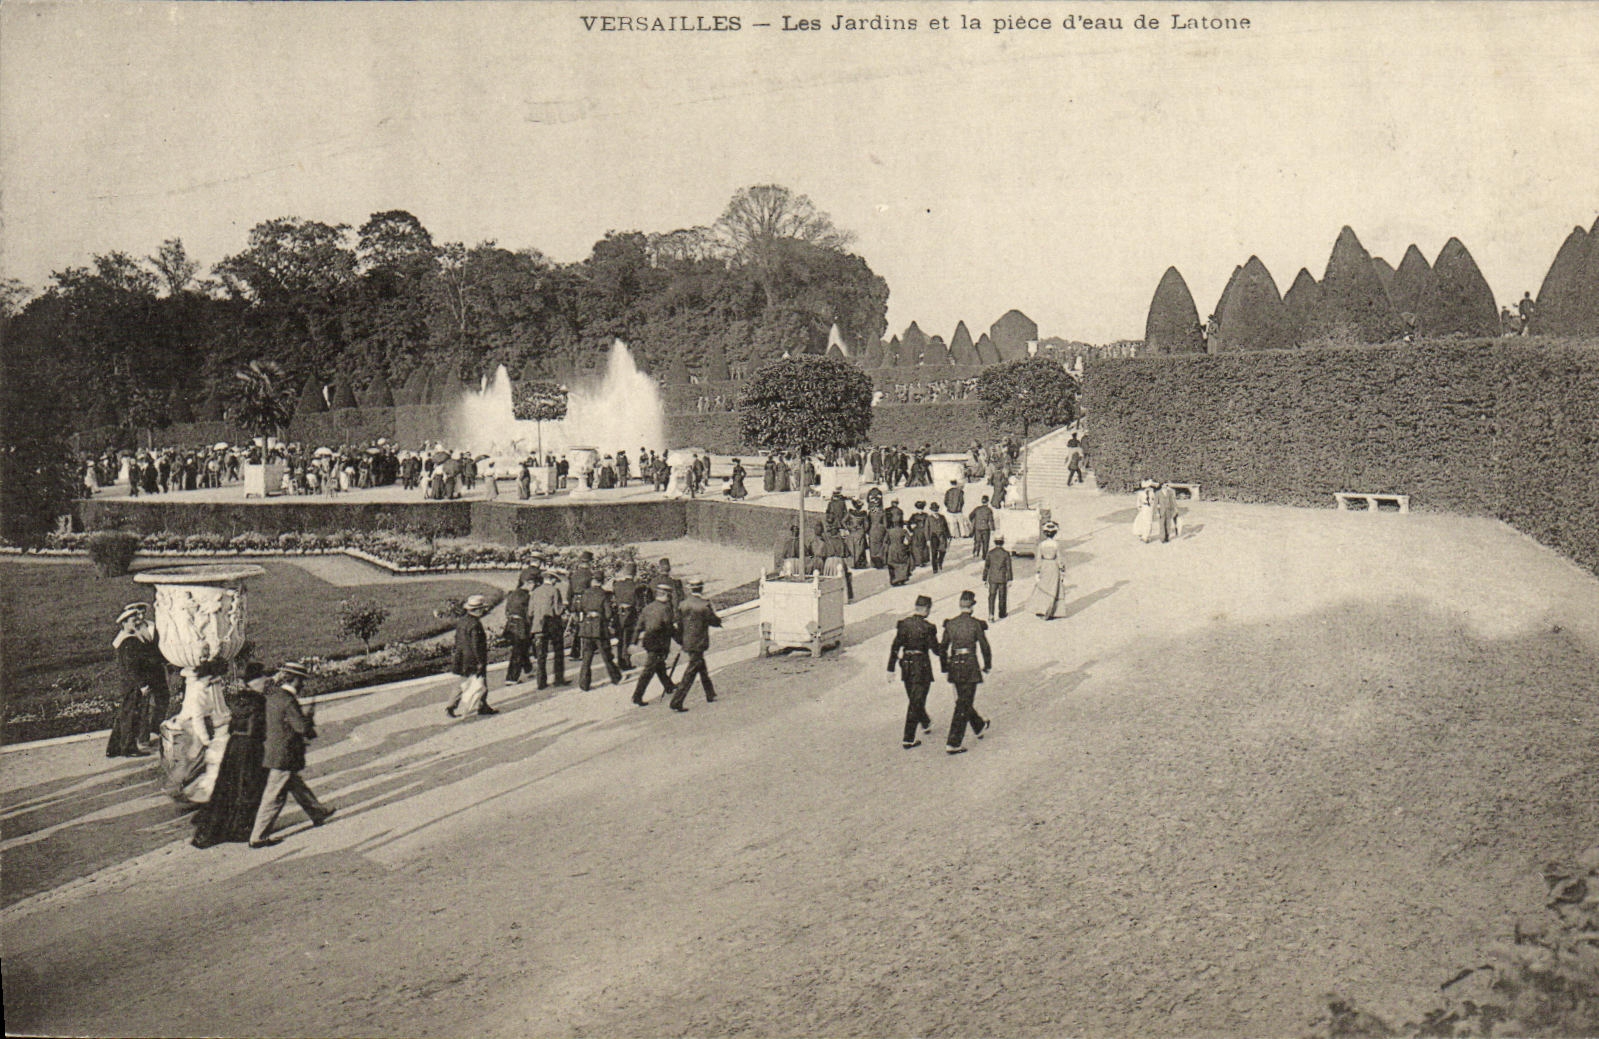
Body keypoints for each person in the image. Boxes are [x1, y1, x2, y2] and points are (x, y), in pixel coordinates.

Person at [248, 661, 335, 847]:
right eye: (302, 680)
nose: (303, 684)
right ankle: (258, 836)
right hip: (284, 754)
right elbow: (300, 727)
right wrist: (308, 721)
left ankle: (318, 812)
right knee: (274, 796)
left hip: (275, 750)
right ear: (295, 680)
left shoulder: (274, 694)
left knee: (296, 784)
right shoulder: (288, 700)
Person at [191, 661, 271, 848]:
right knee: (249, 786)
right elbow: (259, 728)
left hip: (234, 747)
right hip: (250, 747)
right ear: (255, 681)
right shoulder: (259, 701)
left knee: (228, 786)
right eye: (262, 679)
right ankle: (242, 827)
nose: (265, 682)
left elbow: (232, 725)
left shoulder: (238, 699)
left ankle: (225, 825)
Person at [107, 603, 166, 757]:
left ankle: (115, 747)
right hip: (133, 684)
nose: (136, 622)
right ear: (124, 623)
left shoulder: (124, 639)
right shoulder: (129, 641)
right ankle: (128, 748)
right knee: (131, 716)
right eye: (133, 621)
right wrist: (142, 685)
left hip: (128, 683)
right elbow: (132, 667)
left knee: (125, 714)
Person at [940, 590, 992, 754]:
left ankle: (979, 725)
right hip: (970, 665)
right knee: (964, 703)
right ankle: (953, 743)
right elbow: (984, 646)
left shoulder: (950, 624)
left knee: (963, 700)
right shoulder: (975, 624)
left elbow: (942, 648)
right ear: (972, 606)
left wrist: (945, 667)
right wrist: (987, 665)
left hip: (955, 665)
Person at [888, 594, 943, 749]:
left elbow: (895, 646)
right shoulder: (928, 627)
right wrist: (947, 651)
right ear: (926, 609)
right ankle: (908, 738)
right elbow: (936, 649)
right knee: (916, 701)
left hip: (906, 665)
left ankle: (925, 722)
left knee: (914, 698)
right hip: (921, 666)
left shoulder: (904, 624)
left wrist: (890, 669)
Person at [670, 579, 721, 711]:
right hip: (699, 642)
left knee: (701, 667)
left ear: (690, 589)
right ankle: (677, 701)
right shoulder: (704, 604)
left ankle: (710, 693)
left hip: (687, 641)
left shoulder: (682, 604)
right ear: (701, 588)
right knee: (691, 672)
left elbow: (679, 624)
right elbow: (714, 621)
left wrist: (681, 640)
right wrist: (717, 617)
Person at [446, 594, 495, 717]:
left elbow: (457, 639)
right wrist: (480, 661)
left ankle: (451, 705)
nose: (483, 611)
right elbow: (476, 644)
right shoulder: (475, 624)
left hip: (462, 656)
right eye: (482, 609)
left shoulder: (462, 621)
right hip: (474, 658)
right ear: (477, 610)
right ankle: (482, 706)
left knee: (462, 682)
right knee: (481, 681)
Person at [631, 584, 678, 706]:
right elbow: (669, 628)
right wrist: (681, 640)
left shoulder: (647, 608)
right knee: (649, 670)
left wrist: (633, 642)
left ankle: (669, 686)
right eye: (669, 596)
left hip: (649, 642)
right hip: (659, 643)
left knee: (659, 665)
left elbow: (638, 626)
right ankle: (637, 696)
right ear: (666, 595)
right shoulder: (666, 609)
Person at [576, 573, 622, 690]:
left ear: (592, 581)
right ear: (601, 582)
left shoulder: (585, 593)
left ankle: (584, 684)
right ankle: (615, 677)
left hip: (587, 627)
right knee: (606, 655)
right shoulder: (603, 594)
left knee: (587, 657)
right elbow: (608, 613)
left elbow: (580, 608)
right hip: (599, 627)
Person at [529, 570, 567, 689]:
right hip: (552, 626)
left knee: (541, 655)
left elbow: (530, 612)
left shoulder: (535, 591)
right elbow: (557, 610)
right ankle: (558, 679)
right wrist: (564, 607)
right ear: (552, 579)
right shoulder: (554, 590)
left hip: (538, 626)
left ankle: (541, 682)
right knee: (558, 652)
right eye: (555, 579)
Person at [503, 568, 535, 684]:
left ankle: (528, 669)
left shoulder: (512, 594)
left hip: (511, 624)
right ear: (528, 583)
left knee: (522, 647)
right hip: (521, 625)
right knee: (518, 651)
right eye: (533, 584)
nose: (533, 587)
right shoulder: (526, 596)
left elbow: (507, 611)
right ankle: (511, 678)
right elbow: (529, 613)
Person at [1029, 521, 1064, 619]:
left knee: (1043, 588)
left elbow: (1038, 558)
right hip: (1053, 566)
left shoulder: (1041, 544)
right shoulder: (1056, 544)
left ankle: (1042, 609)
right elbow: (1060, 559)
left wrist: (1037, 570)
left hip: (1044, 565)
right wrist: (1062, 569)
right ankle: (1050, 611)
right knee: (1053, 589)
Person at [611, 563, 643, 669]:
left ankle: (621, 661)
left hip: (619, 613)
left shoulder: (617, 585)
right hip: (630, 613)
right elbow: (639, 604)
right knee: (627, 639)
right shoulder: (636, 586)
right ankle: (626, 662)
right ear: (634, 573)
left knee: (621, 639)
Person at [984, 534, 1013, 623]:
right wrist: (1010, 579)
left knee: (991, 596)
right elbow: (1009, 567)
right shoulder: (1006, 553)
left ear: (994, 542)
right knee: (1002, 596)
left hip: (992, 578)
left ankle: (991, 615)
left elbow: (986, 567)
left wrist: (984, 578)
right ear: (1003, 542)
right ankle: (1002, 613)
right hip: (1002, 578)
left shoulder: (990, 553)